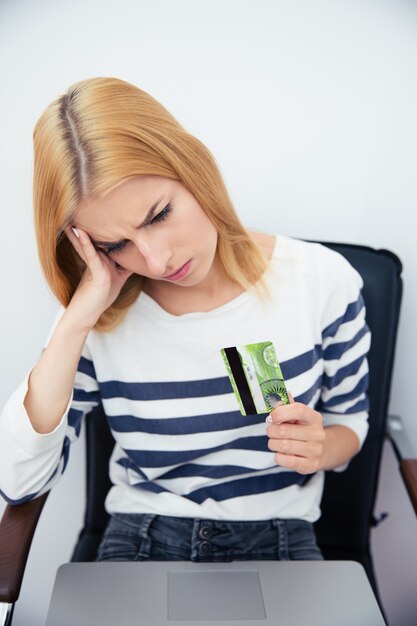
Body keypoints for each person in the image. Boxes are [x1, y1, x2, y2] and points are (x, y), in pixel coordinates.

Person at [0, 77, 370, 562]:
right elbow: (17, 482)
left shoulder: (321, 279)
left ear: (195, 170)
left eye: (158, 215)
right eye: (116, 244)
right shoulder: (96, 317)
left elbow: (351, 423)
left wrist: (321, 449)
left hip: (278, 534)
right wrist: (74, 324)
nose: (155, 261)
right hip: (143, 535)